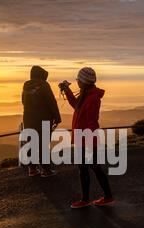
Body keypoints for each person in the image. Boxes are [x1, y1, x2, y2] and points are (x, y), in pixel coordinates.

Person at [60, 67, 114, 209]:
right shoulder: (86, 94)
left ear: (84, 81)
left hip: (87, 140)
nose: (77, 81)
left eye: (78, 79)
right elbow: (76, 106)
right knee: (89, 168)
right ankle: (101, 198)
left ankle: (90, 199)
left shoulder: (92, 98)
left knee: (90, 168)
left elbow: (92, 122)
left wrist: (90, 143)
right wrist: (66, 89)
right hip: (83, 139)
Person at [22, 65, 61, 177]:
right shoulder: (44, 85)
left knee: (31, 143)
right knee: (43, 144)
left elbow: (23, 101)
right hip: (43, 119)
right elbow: (51, 102)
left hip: (28, 119)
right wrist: (57, 118)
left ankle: (32, 169)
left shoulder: (26, 85)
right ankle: (46, 170)